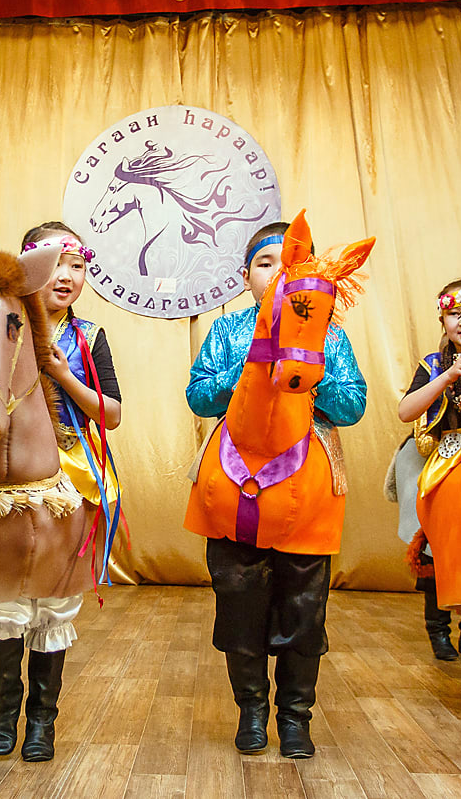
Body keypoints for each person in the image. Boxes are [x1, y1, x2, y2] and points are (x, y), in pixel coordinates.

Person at [185, 220, 367, 758]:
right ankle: (251, 711)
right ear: (245, 277)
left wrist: (308, 370)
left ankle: (295, 718)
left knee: (304, 607)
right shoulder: (227, 330)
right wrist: (251, 367)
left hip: (306, 490)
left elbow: (353, 405)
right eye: (266, 263)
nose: (279, 271)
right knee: (238, 602)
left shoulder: (330, 334)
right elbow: (199, 396)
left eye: (291, 262)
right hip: (234, 481)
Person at [0, 221, 123, 762]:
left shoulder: (89, 337)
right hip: (6, 479)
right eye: (54, 264)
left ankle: (42, 720)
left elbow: (112, 414)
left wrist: (65, 376)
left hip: (69, 480)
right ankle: (3, 712)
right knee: (3, 596)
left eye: (76, 266)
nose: (65, 275)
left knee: (53, 601)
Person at [390, 279, 461, 662]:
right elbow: (406, 411)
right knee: (436, 548)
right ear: (442, 319)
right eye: (455, 313)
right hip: (441, 456)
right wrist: (449, 376)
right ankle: (438, 629)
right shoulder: (436, 363)